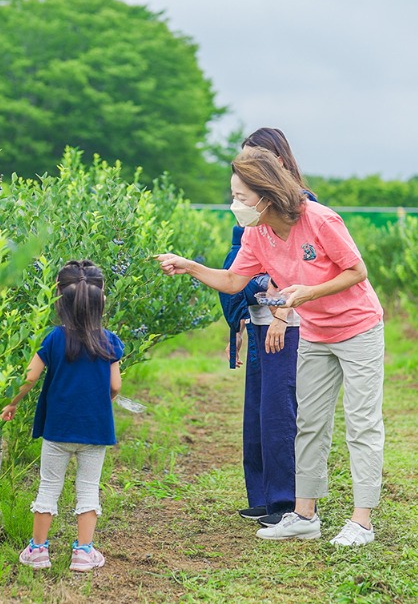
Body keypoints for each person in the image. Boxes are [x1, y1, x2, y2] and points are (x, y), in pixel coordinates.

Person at [156, 147, 385, 547]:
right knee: (309, 424)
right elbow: (232, 281)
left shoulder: (320, 219)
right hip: (316, 333)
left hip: (357, 328)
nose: (236, 205)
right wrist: (189, 265)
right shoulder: (256, 234)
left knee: (362, 423)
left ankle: (362, 521)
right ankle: (304, 515)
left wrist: (307, 292)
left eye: (241, 197)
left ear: (265, 194)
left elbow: (357, 270)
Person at [0, 260, 124, 571]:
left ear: (58, 296)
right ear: (101, 298)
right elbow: (115, 385)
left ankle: (38, 550)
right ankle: (83, 552)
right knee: (87, 488)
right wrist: (102, 399)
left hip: (58, 429)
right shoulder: (108, 340)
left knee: (49, 485)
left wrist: (12, 403)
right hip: (95, 430)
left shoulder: (54, 338)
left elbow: (28, 377)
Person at [218, 128, 314, 528]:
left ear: (276, 161)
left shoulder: (301, 208)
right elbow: (239, 264)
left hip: (288, 323)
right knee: (258, 411)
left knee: (279, 410)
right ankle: (262, 496)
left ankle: (286, 500)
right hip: (259, 319)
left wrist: (279, 312)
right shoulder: (251, 210)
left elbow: (298, 271)